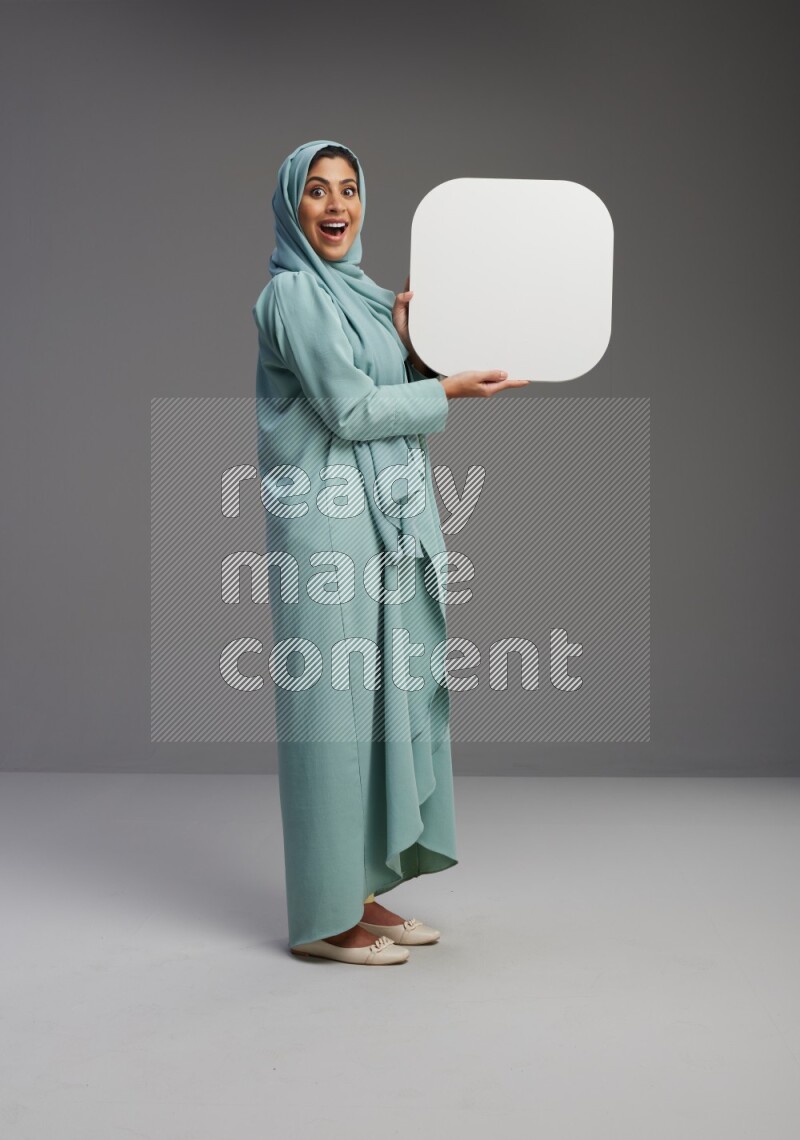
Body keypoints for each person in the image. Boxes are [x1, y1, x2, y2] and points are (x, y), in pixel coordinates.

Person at [252, 139, 527, 965]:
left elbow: (378, 381)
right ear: (290, 207)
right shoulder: (295, 294)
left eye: (349, 189)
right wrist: (441, 389)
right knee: (333, 723)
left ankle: (359, 897)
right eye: (316, 191)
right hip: (327, 528)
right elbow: (349, 410)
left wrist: (408, 343)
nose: (336, 206)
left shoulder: (362, 294)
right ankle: (324, 920)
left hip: (379, 521)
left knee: (375, 716)